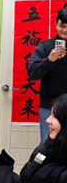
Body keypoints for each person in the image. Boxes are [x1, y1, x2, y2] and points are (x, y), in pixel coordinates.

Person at [28, 8, 67, 142]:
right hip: (49, 105)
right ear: (56, 25)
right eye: (62, 26)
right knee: (47, 142)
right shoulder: (45, 47)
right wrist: (49, 60)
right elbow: (33, 74)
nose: (65, 30)